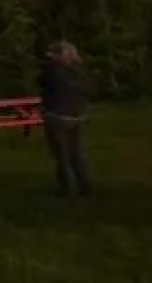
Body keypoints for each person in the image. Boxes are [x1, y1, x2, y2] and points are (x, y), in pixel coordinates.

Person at [39, 41, 90, 196]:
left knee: (62, 156)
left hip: (57, 116)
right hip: (75, 116)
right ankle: (84, 186)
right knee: (76, 154)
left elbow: (43, 83)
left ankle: (67, 188)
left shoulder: (52, 72)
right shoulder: (78, 72)